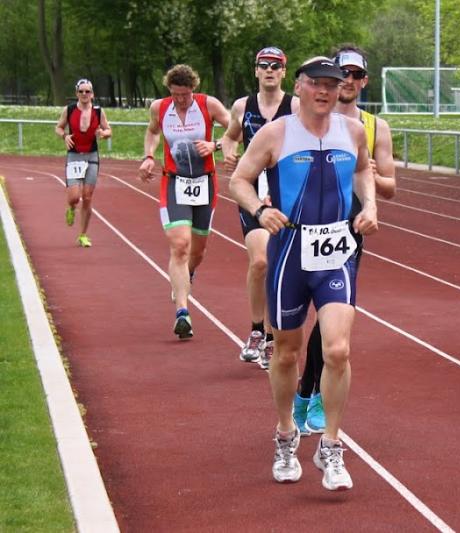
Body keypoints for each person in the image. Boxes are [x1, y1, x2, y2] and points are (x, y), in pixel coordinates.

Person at [229, 56, 377, 491]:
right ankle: (285, 434)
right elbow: (239, 180)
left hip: (336, 251)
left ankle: (331, 445)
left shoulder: (352, 131)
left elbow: (363, 170)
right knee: (286, 353)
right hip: (290, 251)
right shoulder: (276, 134)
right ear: (299, 86)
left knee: (337, 350)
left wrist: (369, 205)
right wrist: (260, 211)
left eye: (332, 84)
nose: (325, 91)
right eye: (316, 83)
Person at [292, 45, 397, 437]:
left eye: (355, 75)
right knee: (294, 321)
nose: (348, 81)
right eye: (342, 74)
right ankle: (301, 388)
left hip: (346, 228)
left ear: (364, 81)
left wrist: (366, 172)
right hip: (303, 223)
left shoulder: (373, 127)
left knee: (331, 316)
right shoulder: (309, 115)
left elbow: (390, 186)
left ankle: (314, 393)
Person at [137, 64, 230, 339]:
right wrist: (149, 156)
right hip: (174, 182)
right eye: (175, 94)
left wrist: (215, 145)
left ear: (193, 89)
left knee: (197, 252)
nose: (180, 99)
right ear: (169, 90)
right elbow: (153, 131)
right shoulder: (159, 107)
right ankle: (182, 312)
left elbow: (235, 129)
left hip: (205, 183)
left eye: (185, 95)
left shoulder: (208, 105)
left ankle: (186, 276)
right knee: (180, 245)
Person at [221, 47, 299, 367]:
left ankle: (271, 335)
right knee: (261, 262)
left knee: (281, 266)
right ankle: (257, 331)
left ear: (284, 72)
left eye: (275, 66)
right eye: (263, 65)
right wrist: (228, 153)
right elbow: (229, 137)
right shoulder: (242, 106)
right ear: (255, 70)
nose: (269, 70)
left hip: (285, 193)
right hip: (252, 192)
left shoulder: (295, 106)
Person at [54, 79, 112, 247]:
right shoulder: (69, 109)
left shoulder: (98, 111)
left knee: (87, 197)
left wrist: (104, 134)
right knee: (74, 197)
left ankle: (83, 235)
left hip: (92, 156)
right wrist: (65, 136)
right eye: (81, 91)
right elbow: (58, 127)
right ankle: (72, 208)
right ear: (76, 94)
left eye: (87, 91)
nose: (84, 94)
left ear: (92, 94)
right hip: (74, 156)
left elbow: (108, 129)